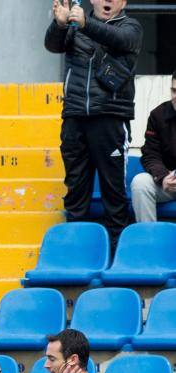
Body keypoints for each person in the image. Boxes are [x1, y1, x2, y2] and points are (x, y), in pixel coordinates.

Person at [45, 0, 142, 253]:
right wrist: (59, 23)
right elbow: (52, 45)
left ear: (124, 2)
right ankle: (75, 254)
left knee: (114, 194)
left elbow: (117, 39)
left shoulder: (131, 27)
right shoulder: (75, 24)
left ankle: (117, 255)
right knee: (76, 192)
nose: (108, 0)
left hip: (110, 118)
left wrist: (85, 24)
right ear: (92, 1)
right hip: (75, 116)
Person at [131, 71, 176, 222]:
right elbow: (150, 154)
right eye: (174, 90)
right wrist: (163, 177)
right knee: (140, 183)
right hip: (169, 181)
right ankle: (149, 239)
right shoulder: (158, 115)